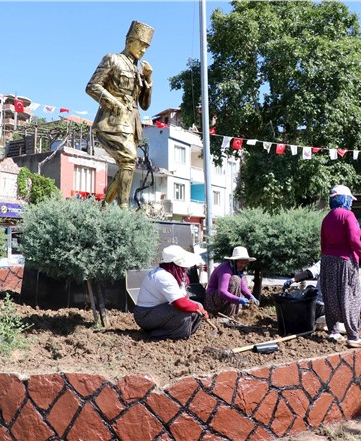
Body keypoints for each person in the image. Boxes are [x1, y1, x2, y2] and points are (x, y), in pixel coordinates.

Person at [86, 21, 154, 209]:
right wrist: (114, 104)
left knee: (127, 163)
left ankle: (104, 208)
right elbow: (92, 86)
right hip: (111, 122)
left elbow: (145, 105)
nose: (144, 50)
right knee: (129, 159)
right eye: (141, 44)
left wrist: (147, 79)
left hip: (131, 125)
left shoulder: (138, 71)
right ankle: (123, 208)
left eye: (147, 47)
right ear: (129, 41)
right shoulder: (112, 59)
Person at [320, 184, 361, 348]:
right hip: (345, 261)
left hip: (327, 260)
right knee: (349, 296)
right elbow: (353, 239)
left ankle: (334, 332)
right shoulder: (348, 215)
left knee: (331, 295)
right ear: (345, 199)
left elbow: (323, 243)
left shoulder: (327, 217)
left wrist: (327, 258)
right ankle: (353, 336)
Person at [134, 245, 207, 340]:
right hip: (145, 315)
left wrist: (198, 308)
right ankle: (162, 334)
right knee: (184, 312)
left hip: (157, 310)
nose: (185, 269)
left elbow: (184, 298)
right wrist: (197, 309)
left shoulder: (173, 275)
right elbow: (180, 304)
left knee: (198, 305)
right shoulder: (163, 276)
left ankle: (185, 331)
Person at [205, 246, 260, 317]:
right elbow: (222, 292)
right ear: (234, 261)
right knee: (235, 280)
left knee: (241, 279)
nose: (243, 265)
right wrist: (239, 300)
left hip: (220, 299)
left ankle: (230, 313)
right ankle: (224, 313)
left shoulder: (236, 269)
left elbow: (243, 287)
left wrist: (251, 297)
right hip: (212, 302)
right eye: (241, 262)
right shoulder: (225, 269)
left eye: (245, 263)